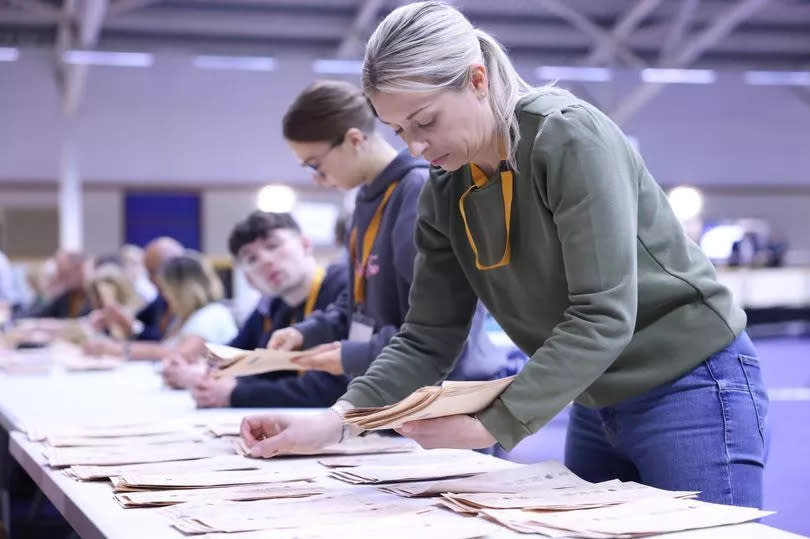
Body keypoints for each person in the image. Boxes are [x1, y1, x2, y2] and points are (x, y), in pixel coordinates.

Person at [241, 1, 768, 510]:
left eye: (425, 121)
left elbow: (602, 315)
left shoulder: (567, 137)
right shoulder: (444, 190)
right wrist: (339, 420)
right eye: (401, 131)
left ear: (476, 80)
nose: (416, 148)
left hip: (691, 382)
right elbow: (427, 336)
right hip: (589, 392)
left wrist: (492, 422)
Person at [267, 79, 511, 385]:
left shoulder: (418, 192)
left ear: (355, 140)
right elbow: (360, 302)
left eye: (315, 165)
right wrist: (307, 331)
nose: (317, 179)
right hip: (398, 388)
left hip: (447, 393)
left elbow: (444, 326)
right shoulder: (366, 199)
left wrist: (355, 355)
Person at [162, 211, 350, 409]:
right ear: (247, 276)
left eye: (273, 246)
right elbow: (260, 368)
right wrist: (208, 376)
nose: (266, 261)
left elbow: (336, 388)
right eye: (252, 259)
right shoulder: (281, 304)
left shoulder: (344, 289)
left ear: (305, 244)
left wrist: (235, 394)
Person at [88, 251, 237, 361]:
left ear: (183, 290)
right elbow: (163, 347)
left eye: (167, 290)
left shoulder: (212, 314)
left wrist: (118, 349)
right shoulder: (186, 317)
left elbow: (183, 354)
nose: (165, 296)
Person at [86, 237, 183, 349]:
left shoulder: (189, 306)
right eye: (148, 274)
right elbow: (139, 320)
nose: (151, 281)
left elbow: (165, 344)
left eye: (154, 273)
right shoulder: (161, 300)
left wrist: (131, 327)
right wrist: (114, 318)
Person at [25, 249, 91, 319]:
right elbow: (39, 313)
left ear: (80, 268)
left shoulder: (95, 294)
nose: (62, 279)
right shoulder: (68, 295)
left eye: (65, 274)